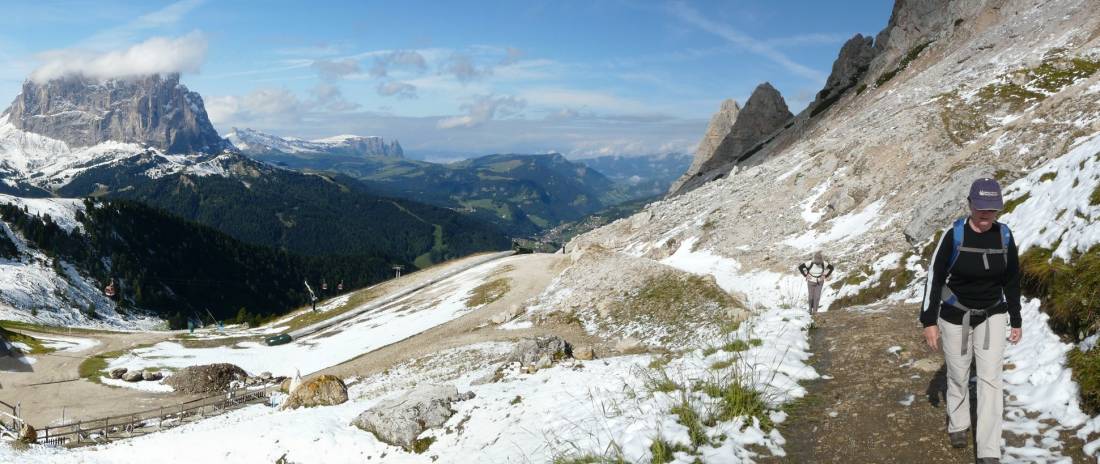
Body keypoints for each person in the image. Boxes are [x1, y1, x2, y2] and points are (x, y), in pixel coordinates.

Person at [920, 177, 1022, 464]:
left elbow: (1012, 279)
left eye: (992, 209)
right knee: (958, 372)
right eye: (981, 208)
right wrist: (929, 321)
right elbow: (934, 278)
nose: (986, 215)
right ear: (970, 204)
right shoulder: (954, 235)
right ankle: (958, 423)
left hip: (992, 313)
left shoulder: (1004, 236)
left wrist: (1016, 319)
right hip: (955, 315)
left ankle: (989, 451)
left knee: (991, 379)